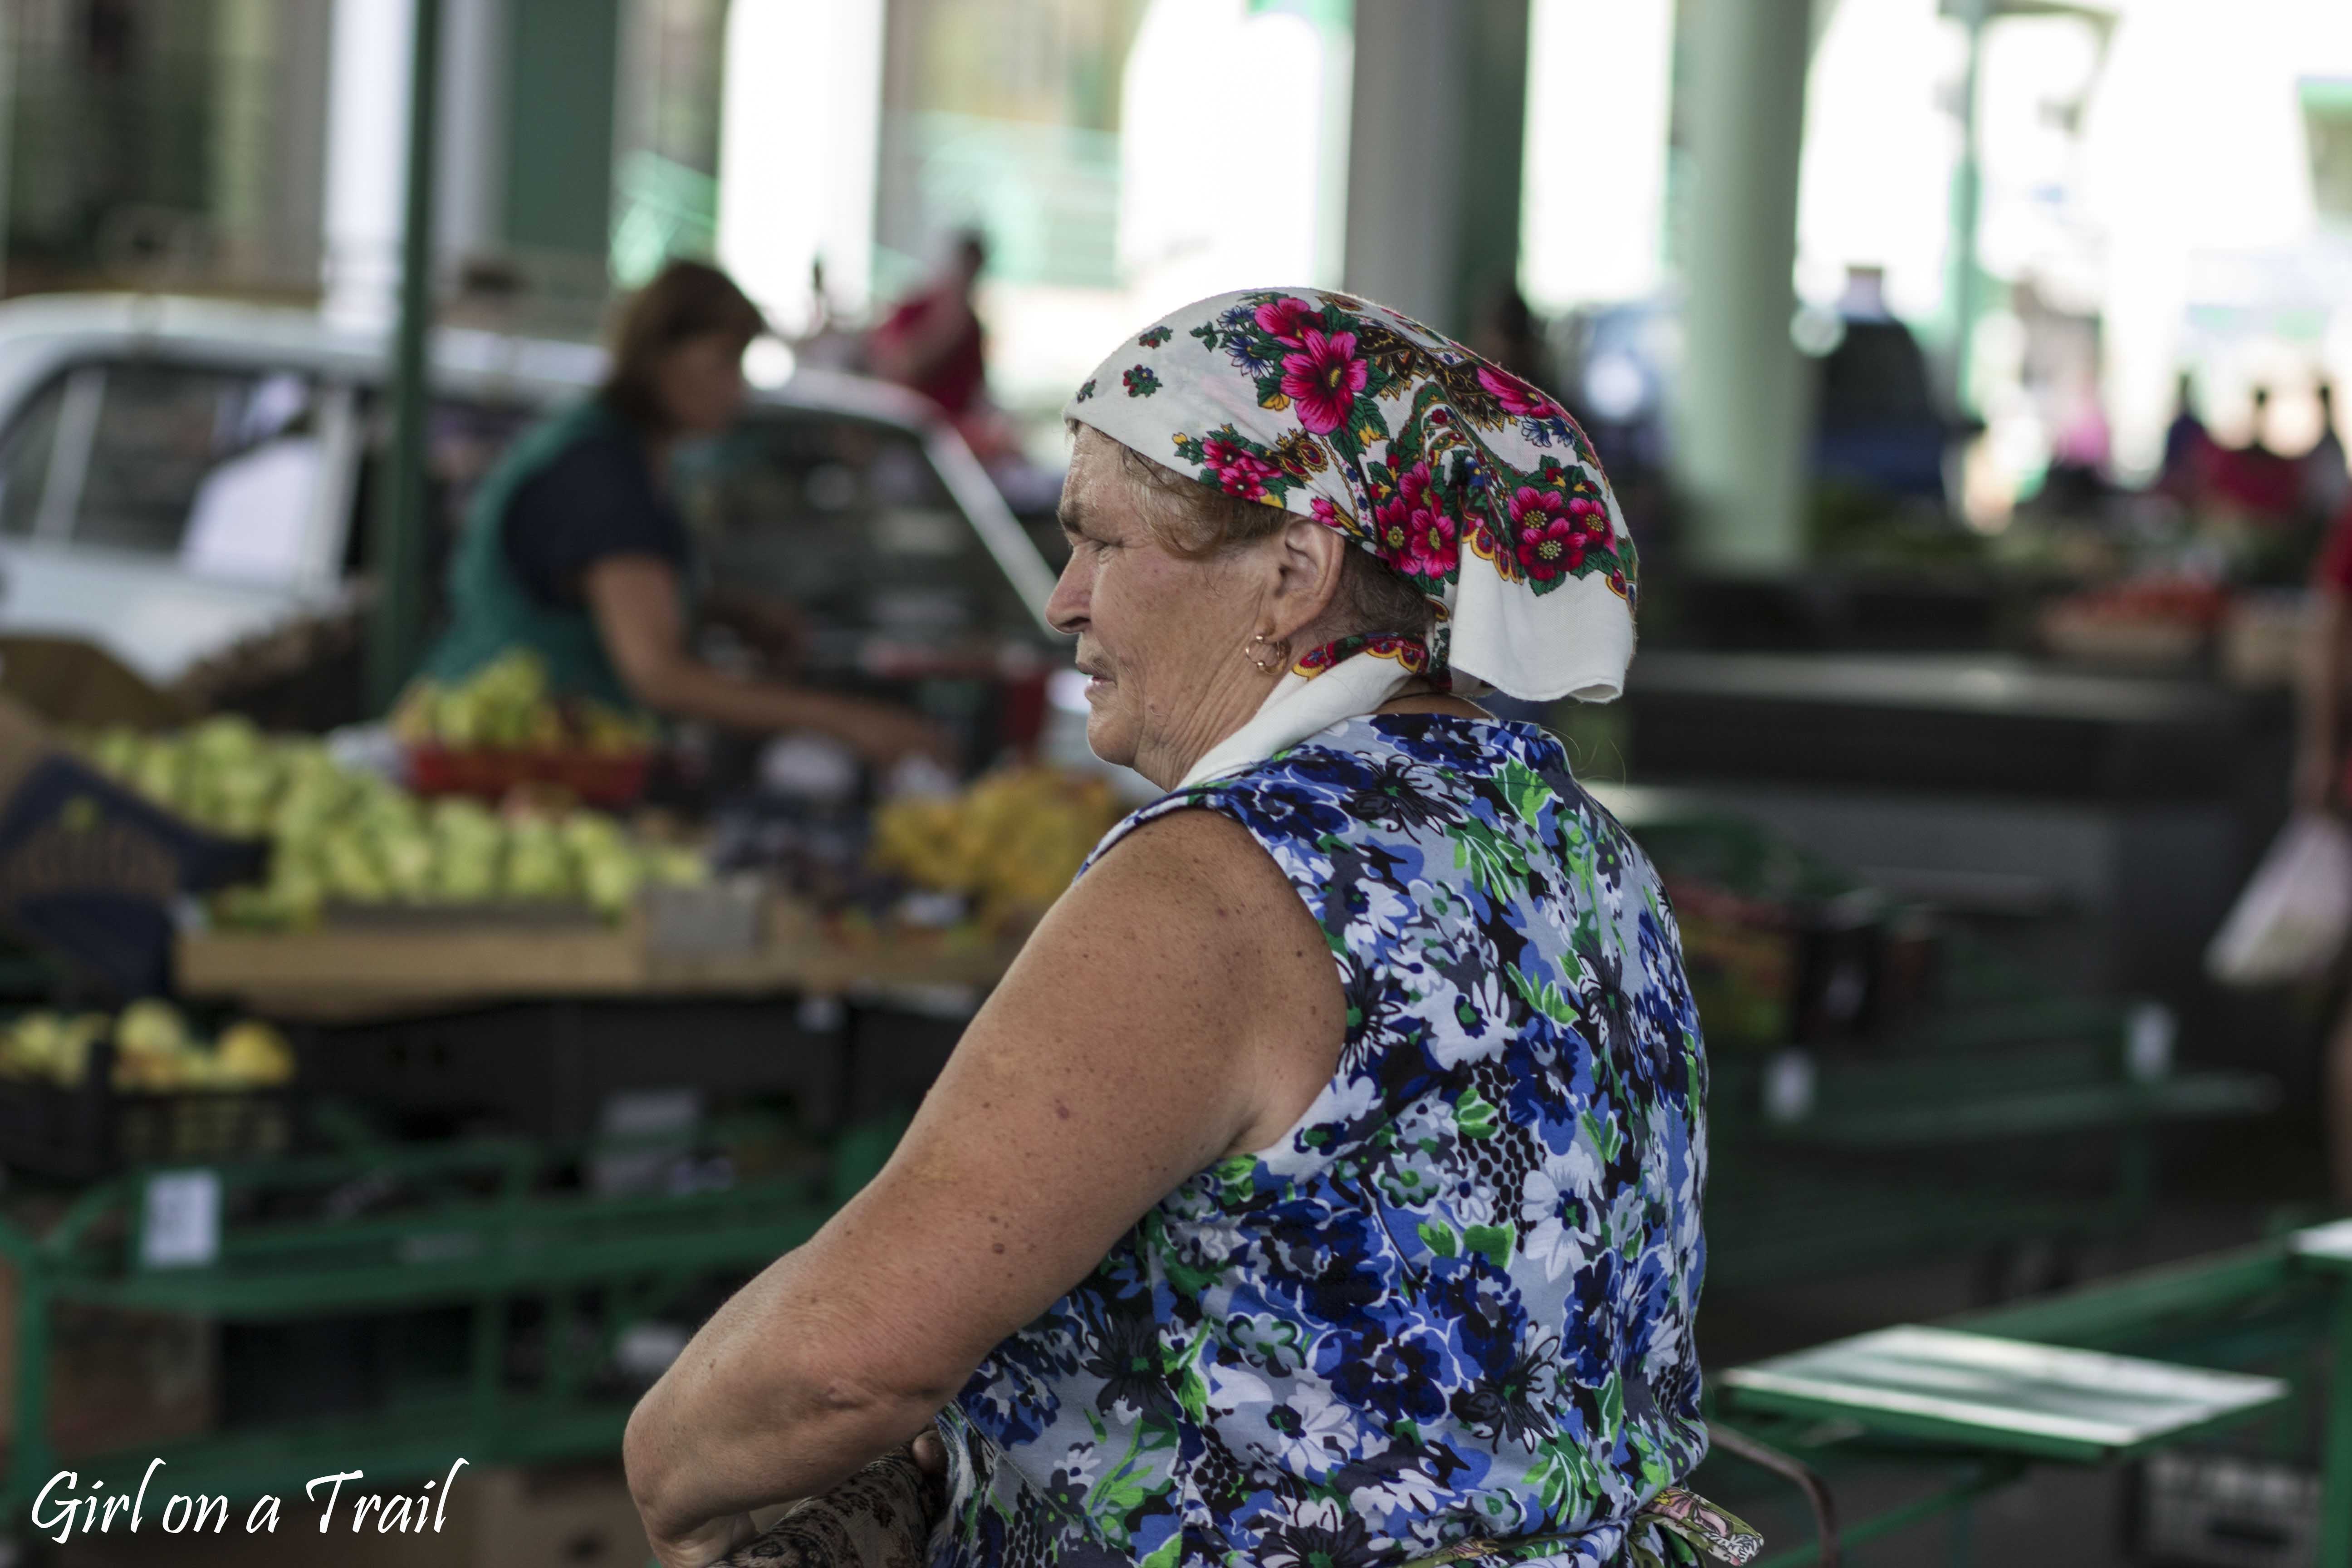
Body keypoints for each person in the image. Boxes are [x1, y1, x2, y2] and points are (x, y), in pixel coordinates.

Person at [624, 289, 1752, 1568]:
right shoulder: (1579, 847)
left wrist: (666, 1472)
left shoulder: (1223, 883)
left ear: (1292, 572)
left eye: (1103, 544)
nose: (1064, 600)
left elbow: (837, 1371)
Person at [421, 260, 940, 767]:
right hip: (510, 759)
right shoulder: (602, 476)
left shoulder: (628, 456)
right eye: (723, 363)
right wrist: (849, 722)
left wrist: (723, 611)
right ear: (660, 357)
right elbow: (659, 675)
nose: (737, 390)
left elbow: (602, 594)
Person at [870, 230, 990, 420]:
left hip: (953, 433)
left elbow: (977, 392)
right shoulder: (913, 309)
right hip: (911, 423)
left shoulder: (972, 327)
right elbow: (895, 367)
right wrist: (943, 329)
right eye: (965, 269)